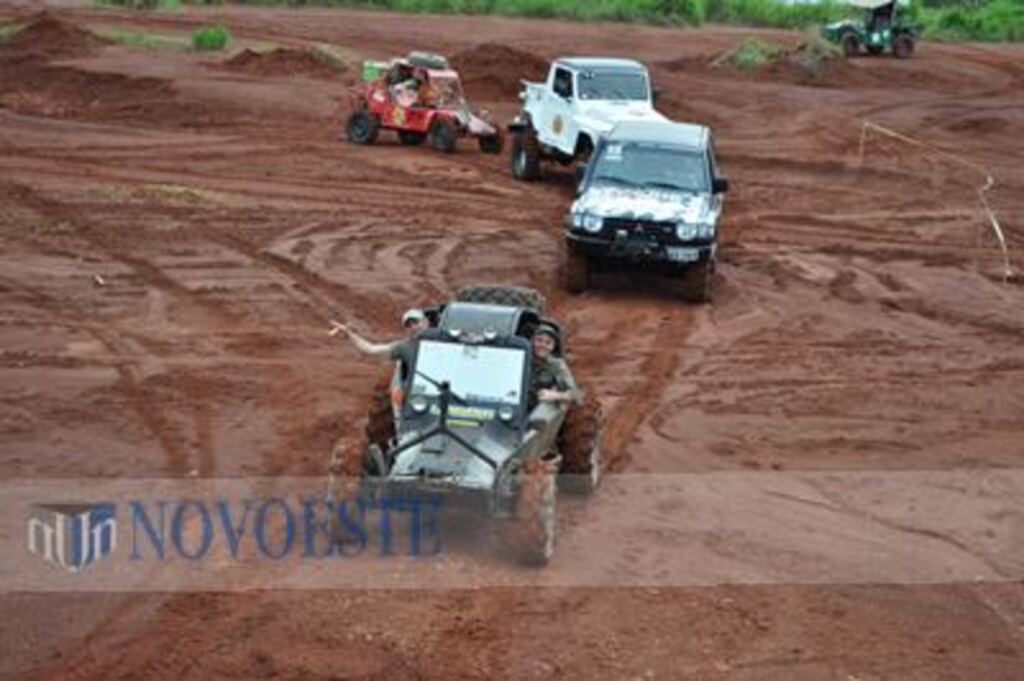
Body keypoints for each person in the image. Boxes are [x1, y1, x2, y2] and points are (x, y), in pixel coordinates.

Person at [529, 323, 581, 409]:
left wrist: (556, 395)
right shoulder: (521, 358)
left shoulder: (557, 365)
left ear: (553, 346)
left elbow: (576, 396)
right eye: (539, 340)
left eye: (548, 342)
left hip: (537, 409)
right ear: (532, 341)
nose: (543, 345)